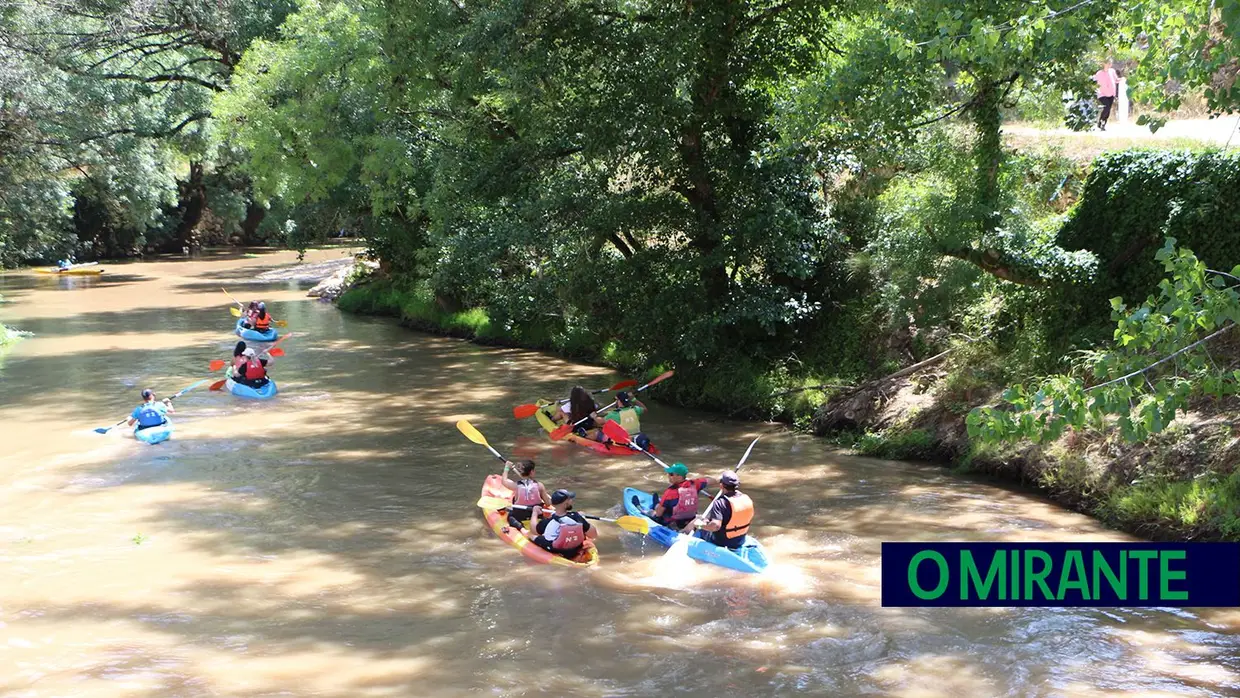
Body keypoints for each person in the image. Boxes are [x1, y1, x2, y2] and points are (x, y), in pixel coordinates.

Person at [684, 470, 754, 550]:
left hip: (722, 542)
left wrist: (699, 526)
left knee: (698, 520)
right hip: (740, 540)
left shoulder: (720, 503)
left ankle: (682, 533)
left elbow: (715, 526)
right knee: (707, 519)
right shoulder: (746, 498)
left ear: (721, 485)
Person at [646, 463, 715, 530]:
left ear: (679, 476)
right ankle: (656, 502)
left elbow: (659, 514)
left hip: (674, 523)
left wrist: (655, 512)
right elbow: (712, 480)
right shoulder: (695, 484)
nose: (668, 476)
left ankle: (655, 503)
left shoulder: (669, 492)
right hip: (690, 519)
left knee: (657, 510)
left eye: (671, 474)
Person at [532, 489, 598, 560]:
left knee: (531, 535)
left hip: (555, 549)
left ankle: (522, 530)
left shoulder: (547, 521)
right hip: (575, 549)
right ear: (566, 503)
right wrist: (583, 519)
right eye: (570, 499)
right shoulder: (577, 517)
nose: (571, 501)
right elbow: (593, 535)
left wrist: (535, 513)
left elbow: (534, 531)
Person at [500, 459, 551, 529]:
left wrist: (506, 468)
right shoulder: (540, 486)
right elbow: (548, 504)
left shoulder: (516, 486)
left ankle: (521, 528)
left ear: (521, 473)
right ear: (532, 472)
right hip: (537, 517)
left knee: (510, 516)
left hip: (520, 518)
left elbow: (504, 481)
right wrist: (547, 497)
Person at [1093, 59, 1119, 131]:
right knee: (1106, 107)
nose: (1109, 64)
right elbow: (1094, 81)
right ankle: (1100, 121)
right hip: (1102, 93)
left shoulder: (1112, 71)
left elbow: (1116, 79)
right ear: (1104, 64)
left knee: (1108, 110)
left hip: (1111, 93)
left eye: (1110, 63)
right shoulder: (1099, 73)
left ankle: (1103, 124)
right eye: (1108, 63)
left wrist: (1121, 79)